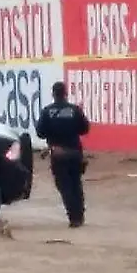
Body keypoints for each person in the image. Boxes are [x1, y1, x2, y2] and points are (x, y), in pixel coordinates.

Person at [35, 81, 91, 227]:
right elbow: (85, 129)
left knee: (65, 186)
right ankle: (79, 215)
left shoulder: (47, 111)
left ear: (53, 94)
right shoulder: (75, 110)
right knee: (76, 184)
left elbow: (40, 133)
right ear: (66, 93)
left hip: (58, 154)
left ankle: (73, 217)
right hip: (75, 152)